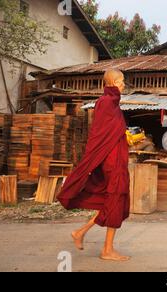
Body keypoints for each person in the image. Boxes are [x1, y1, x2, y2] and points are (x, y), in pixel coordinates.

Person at [57, 69, 130, 261]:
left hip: (116, 161)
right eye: (121, 81)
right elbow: (100, 135)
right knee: (115, 200)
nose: (124, 84)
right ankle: (106, 250)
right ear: (113, 82)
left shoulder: (113, 104)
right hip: (112, 163)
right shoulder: (106, 103)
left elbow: (112, 132)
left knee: (112, 202)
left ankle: (82, 233)